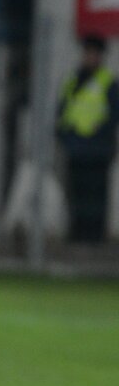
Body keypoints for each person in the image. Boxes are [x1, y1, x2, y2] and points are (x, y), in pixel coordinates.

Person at [57, 34, 118, 243]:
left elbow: (113, 116)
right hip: (76, 148)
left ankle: (94, 237)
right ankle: (77, 234)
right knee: (76, 194)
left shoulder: (108, 82)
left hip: (98, 149)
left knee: (96, 196)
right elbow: (63, 112)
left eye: (94, 54)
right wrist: (65, 137)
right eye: (88, 53)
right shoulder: (73, 80)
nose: (90, 57)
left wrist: (101, 134)